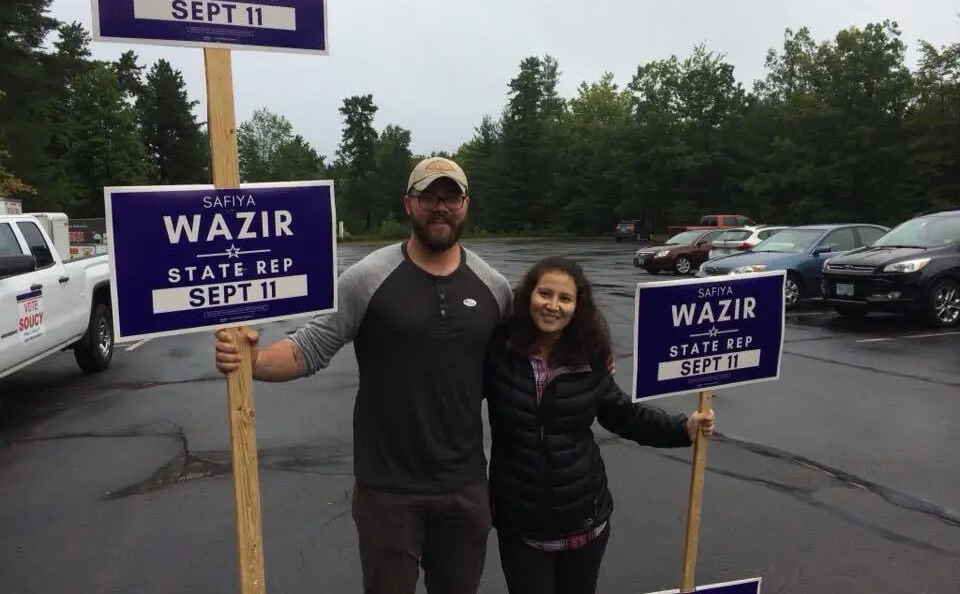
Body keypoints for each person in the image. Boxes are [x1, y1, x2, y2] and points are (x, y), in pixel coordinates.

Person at [213, 156, 512, 594]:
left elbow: (526, 362)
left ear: (466, 204)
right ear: (409, 204)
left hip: (465, 486)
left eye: (451, 196)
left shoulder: (493, 287)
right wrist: (251, 363)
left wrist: (590, 355)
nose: (440, 206)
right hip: (388, 490)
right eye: (429, 195)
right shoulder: (366, 279)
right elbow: (309, 347)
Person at [484, 256, 715, 594]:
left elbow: (623, 415)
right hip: (521, 526)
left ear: (578, 307)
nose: (553, 306)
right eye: (544, 294)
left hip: (585, 523)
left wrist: (683, 428)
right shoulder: (499, 352)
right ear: (527, 296)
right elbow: (453, 396)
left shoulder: (589, 358)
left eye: (565, 299)